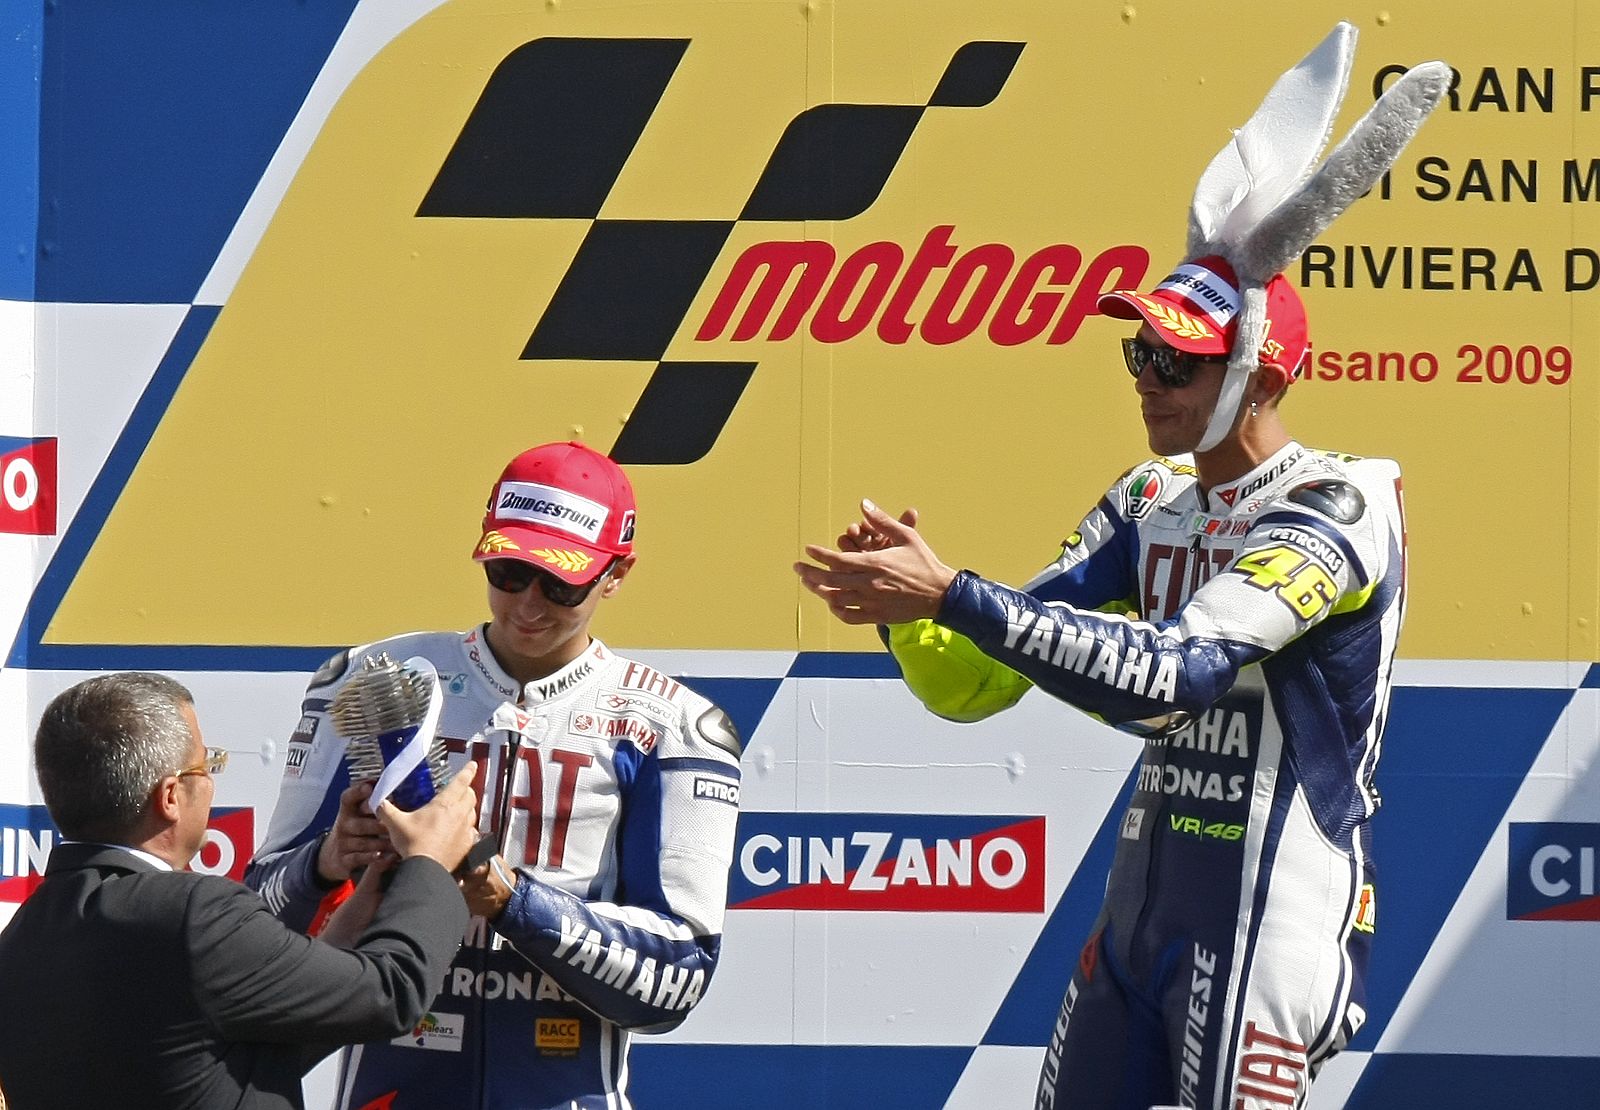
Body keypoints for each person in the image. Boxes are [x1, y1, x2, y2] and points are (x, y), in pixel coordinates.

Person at [246, 440, 745, 1110]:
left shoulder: (673, 724)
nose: (529, 605)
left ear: (617, 574)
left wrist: (511, 901)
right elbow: (252, 925)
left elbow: (677, 980)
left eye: (561, 584)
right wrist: (327, 862)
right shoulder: (376, 678)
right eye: (508, 572)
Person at [0, 672, 480, 1110]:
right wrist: (431, 862)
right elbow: (392, 992)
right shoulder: (191, 913)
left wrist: (363, 900)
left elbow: (233, 1056)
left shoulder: (22, 937)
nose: (210, 782)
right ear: (170, 797)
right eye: (205, 765)